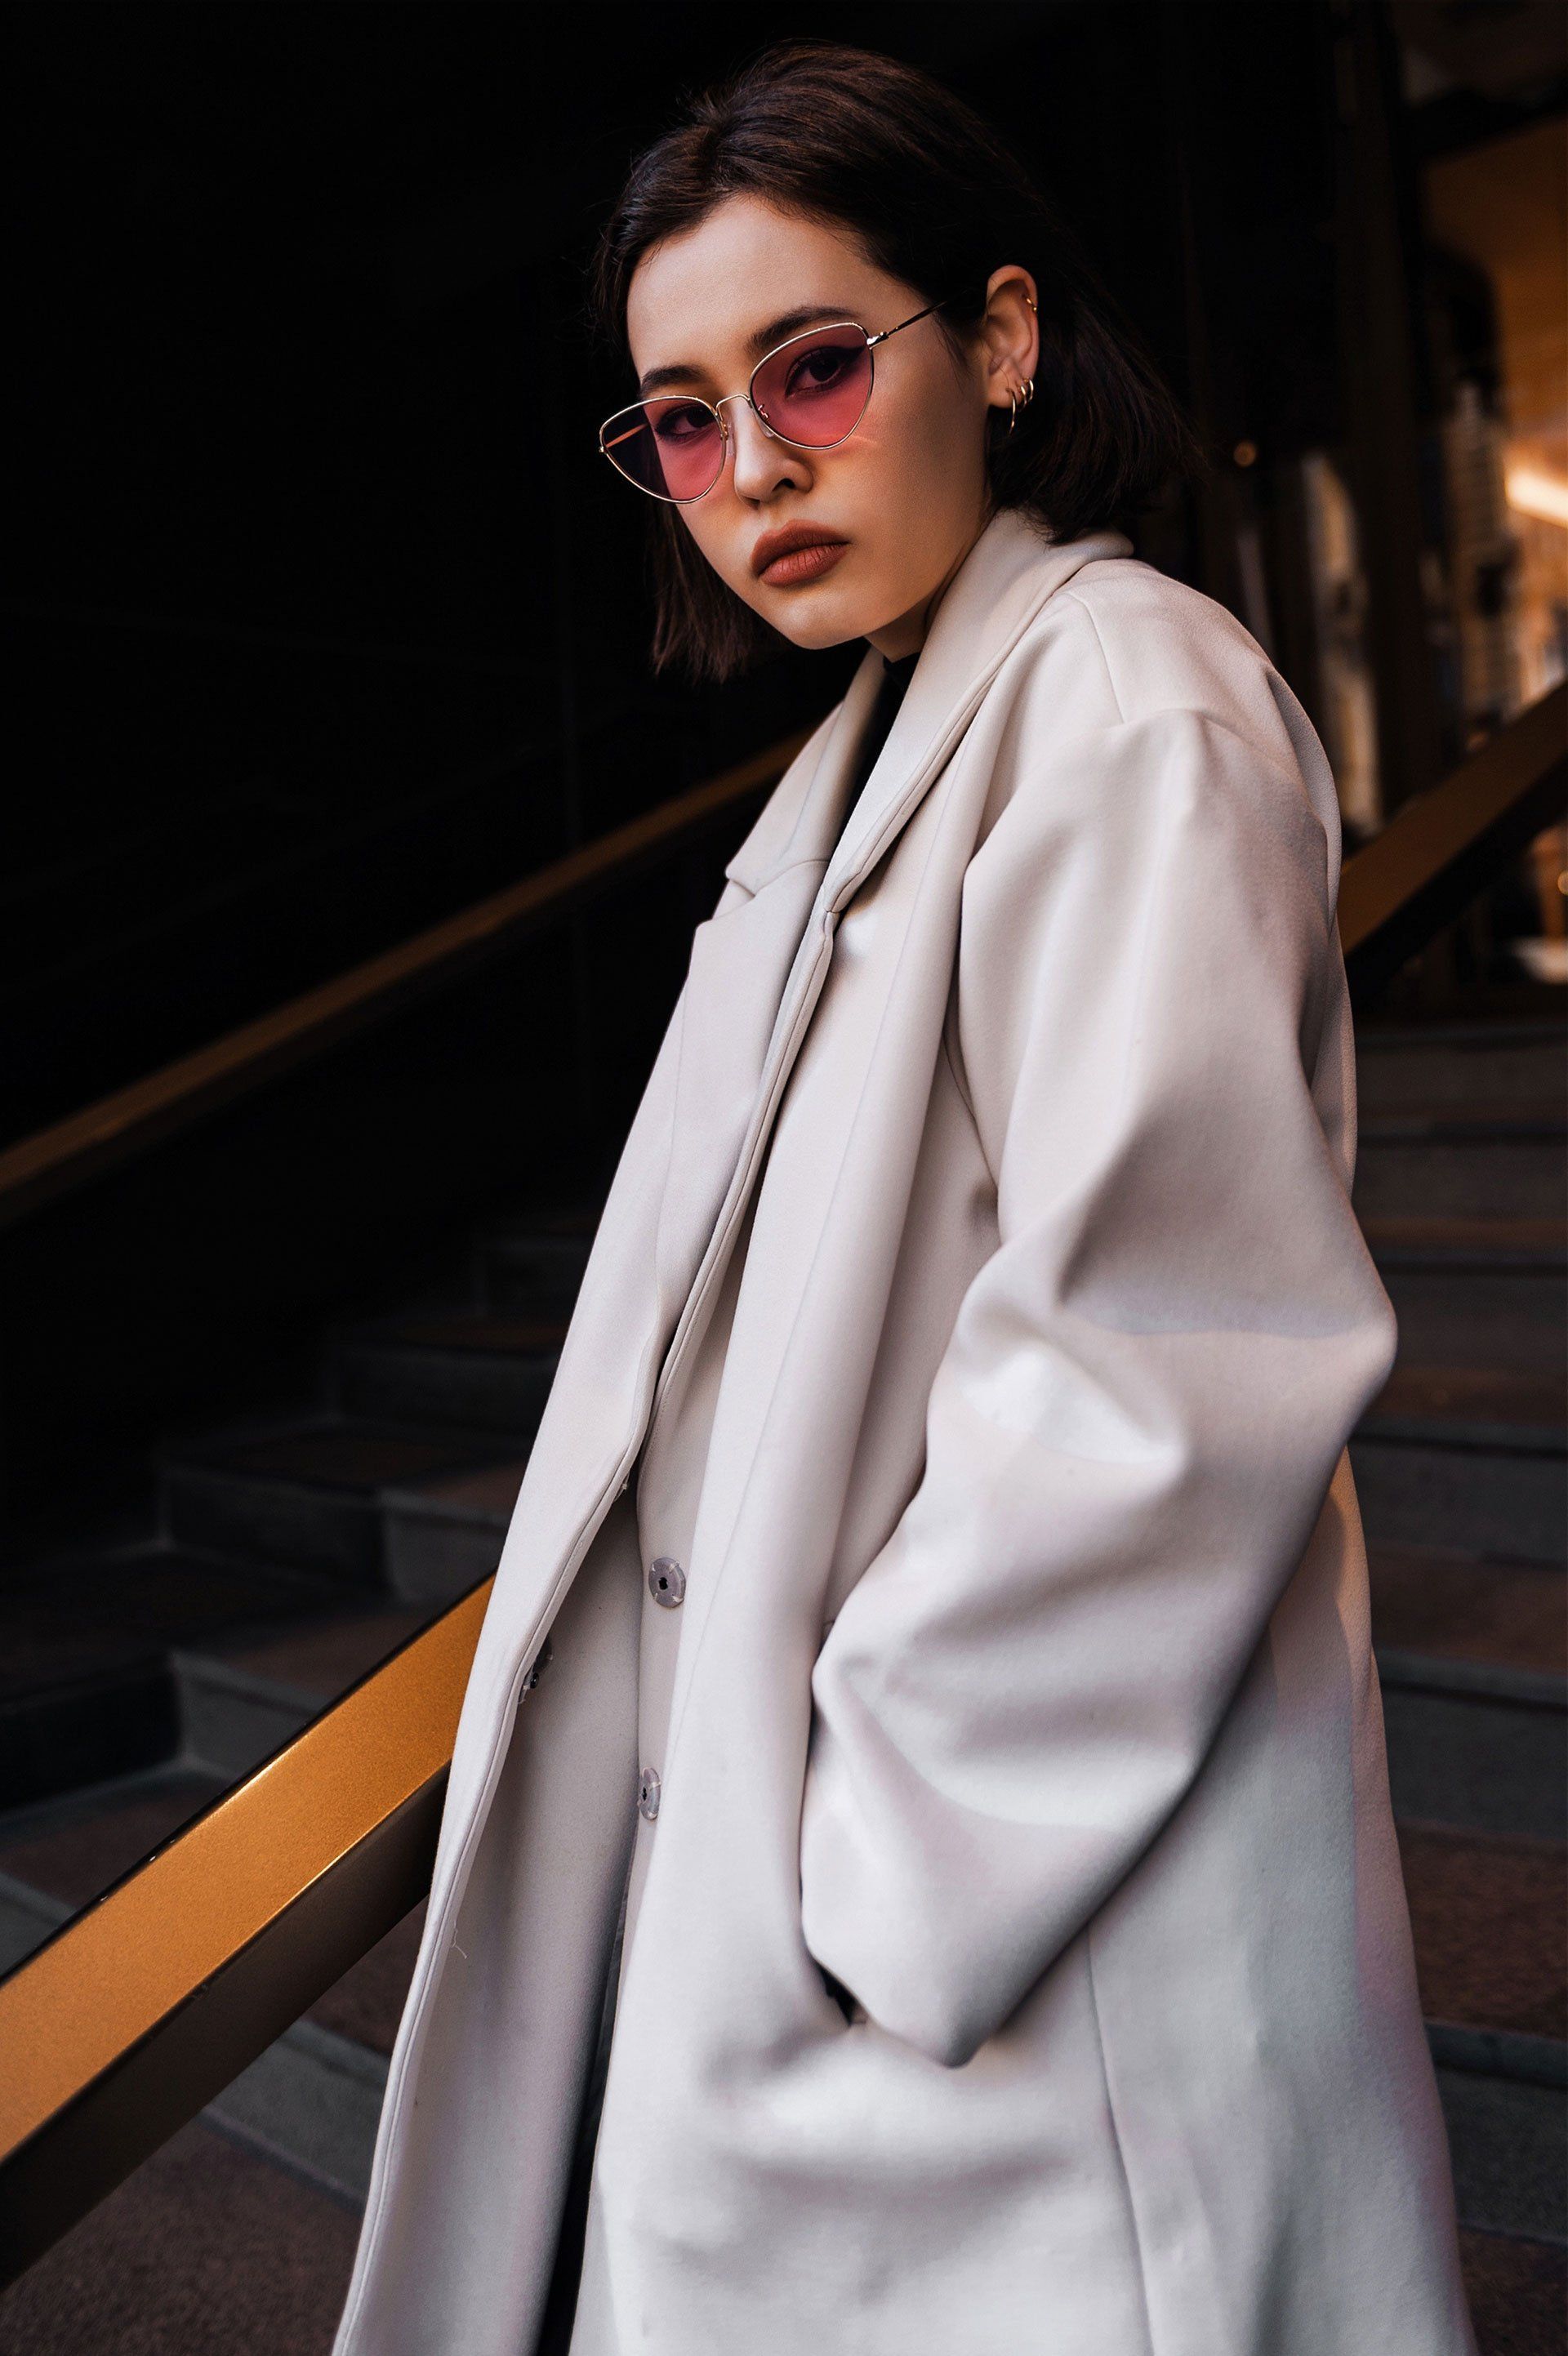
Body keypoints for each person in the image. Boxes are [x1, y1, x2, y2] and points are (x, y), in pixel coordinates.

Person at [331, 41, 1476, 2356]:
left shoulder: (1129, 698)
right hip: (869, 1940)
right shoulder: (877, 741)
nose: (750, 473)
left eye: (818, 368)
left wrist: (862, 1873)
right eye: (681, 417)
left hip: (1021, 1969)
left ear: (1010, 338)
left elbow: (1169, 1357)